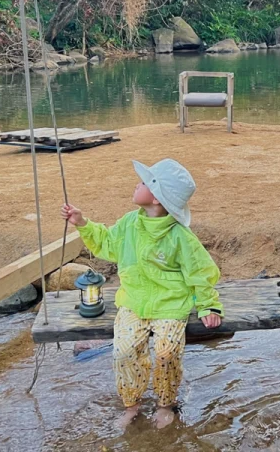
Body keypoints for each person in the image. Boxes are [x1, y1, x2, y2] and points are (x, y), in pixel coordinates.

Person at [62, 157, 222, 431]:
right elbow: (107, 243)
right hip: (133, 302)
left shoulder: (179, 236)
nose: (137, 184)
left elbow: (200, 271)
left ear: (157, 199)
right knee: (123, 351)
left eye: (145, 182)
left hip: (170, 305)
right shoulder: (128, 224)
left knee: (167, 351)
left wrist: (209, 306)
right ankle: (131, 405)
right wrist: (82, 222)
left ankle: (165, 403)